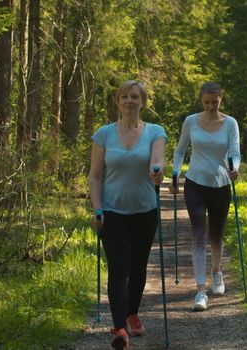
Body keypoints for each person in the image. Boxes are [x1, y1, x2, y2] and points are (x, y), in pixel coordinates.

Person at [88, 80, 166, 350]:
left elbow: (159, 157)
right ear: (118, 102)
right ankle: (119, 327)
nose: (130, 101)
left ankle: (133, 312)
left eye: (135, 97)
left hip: (145, 210)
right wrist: (97, 208)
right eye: (124, 97)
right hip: (112, 210)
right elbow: (95, 176)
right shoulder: (104, 134)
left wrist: (157, 169)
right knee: (118, 267)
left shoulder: (155, 131)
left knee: (138, 266)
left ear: (142, 102)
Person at [169, 82, 240, 311]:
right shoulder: (191, 121)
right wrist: (175, 173)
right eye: (207, 102)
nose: (210, 106)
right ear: (201, 100)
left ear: (221, 100)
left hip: (220, 184)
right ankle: (200, 291)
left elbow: (235, 152)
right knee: (198, 235)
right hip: (195, 185)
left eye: (215, 102)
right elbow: (180, 150)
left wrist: (235, 167)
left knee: (216, 235)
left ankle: (217, 272)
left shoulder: (230, 123)